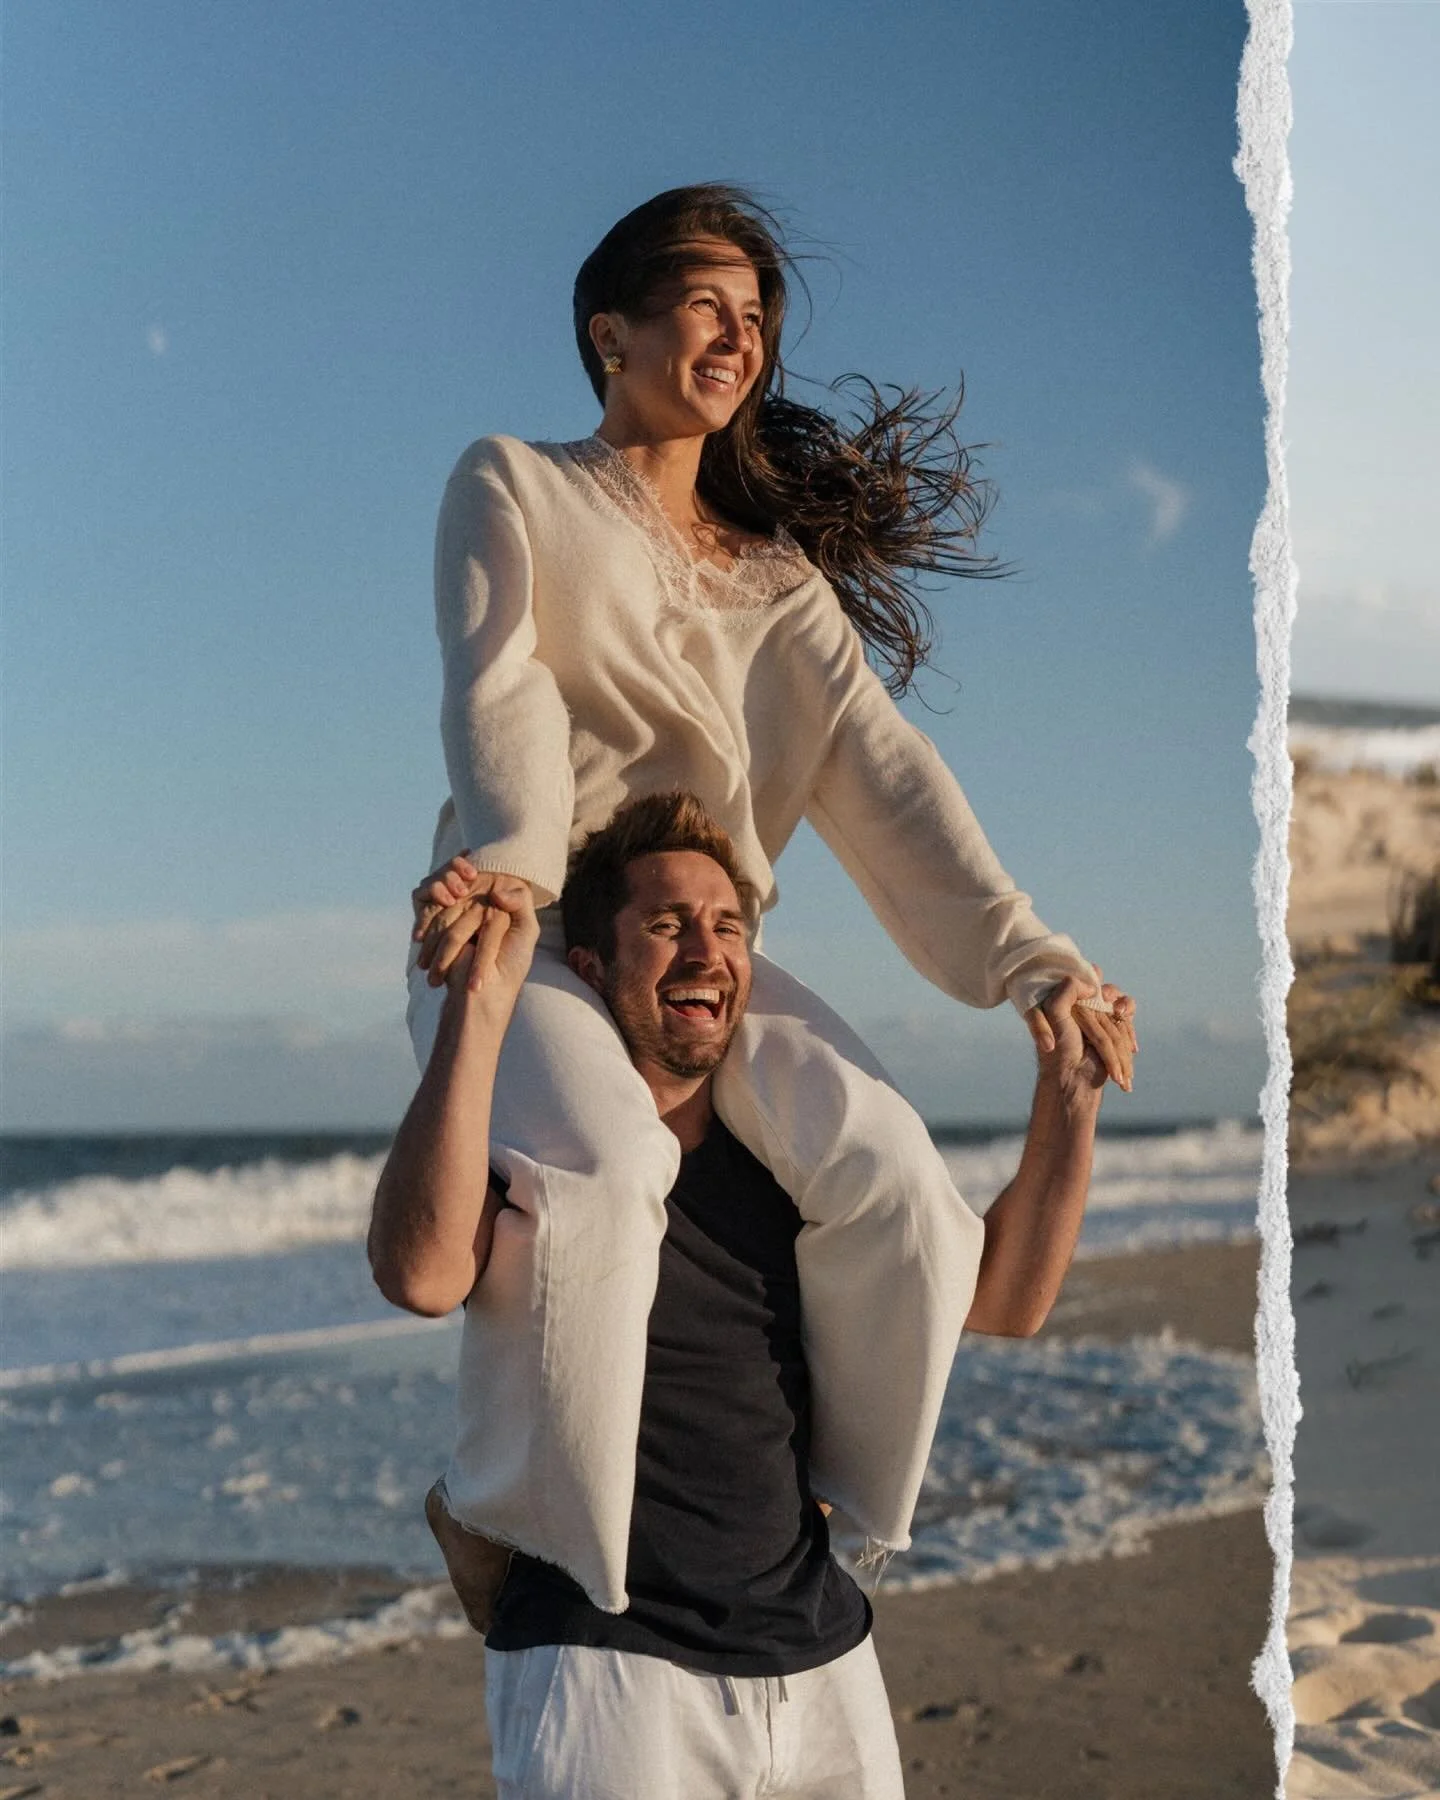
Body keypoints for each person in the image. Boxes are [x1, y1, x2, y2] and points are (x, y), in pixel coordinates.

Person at [403, 182, 1138, 1618]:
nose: (736, 337)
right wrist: (509, 878)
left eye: (756, 319)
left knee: (904, 1189)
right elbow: (499, 695)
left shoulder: (783, 586)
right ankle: (499, 1521)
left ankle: (831, 1510)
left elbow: (889, 782)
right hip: (535, 932)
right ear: (608, 331)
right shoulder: (516, 484)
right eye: (706, 304)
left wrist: (1030, 960)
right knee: (614, 1174)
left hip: (702, 953)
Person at [371, 792, 1123, 1800]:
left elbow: (1004, 1300)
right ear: (588, 966)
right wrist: (480, 1004)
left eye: (727, 927)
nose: (704, 951)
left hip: (817, 1648)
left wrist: (1067, 1098)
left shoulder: (803, 1173)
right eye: (665, 925)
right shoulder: (540, 1159)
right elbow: (419, 1273)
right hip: (603, 1657)